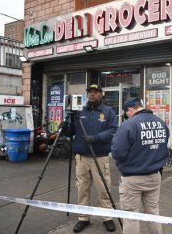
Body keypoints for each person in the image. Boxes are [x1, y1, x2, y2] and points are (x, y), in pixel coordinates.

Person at [111, 98, 169, 234]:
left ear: (130, 110)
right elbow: (163, 145)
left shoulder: (128, 125)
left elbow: (117, 153)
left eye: (126, 113)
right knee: (153, 213)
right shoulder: (160, 122)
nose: (127, 116)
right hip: (155, 176)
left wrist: (122, 164)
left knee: (131, 217)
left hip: (132, 178)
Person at [66, 83, 118, 233]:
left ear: (101, 94)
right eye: (90, 92)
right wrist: (69, 119)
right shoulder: (79, 110)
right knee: (82, 188)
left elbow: (113, 130)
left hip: (100, 157)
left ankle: (107, 217)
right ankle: (84, 218)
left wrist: (95, 138)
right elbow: (69, 133)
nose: (92, 94)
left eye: (95, 92)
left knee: (103, 189)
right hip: (81, 157)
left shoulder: (108, 112)